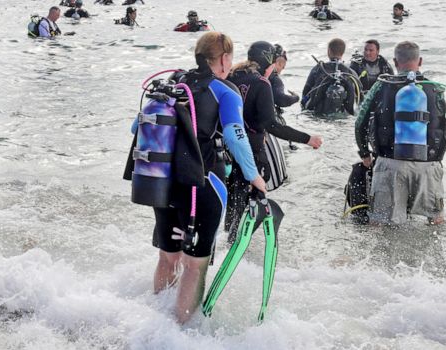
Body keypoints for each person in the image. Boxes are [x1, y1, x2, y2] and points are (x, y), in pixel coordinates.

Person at [138, 32, 267, 324]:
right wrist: (254, 177)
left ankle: (157, 325)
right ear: (224, 58)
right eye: (230, 58)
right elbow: (235, 136)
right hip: (202, 186)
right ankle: (181, 334)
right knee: (195, 266)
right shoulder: (225, 90)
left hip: (162, 182)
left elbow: (138, 124)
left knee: (168, 256)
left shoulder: (173, 84)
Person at [225, 42, 322, 239]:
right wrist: (307, 138)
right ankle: (236, 241)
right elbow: (272, 125)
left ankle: (227, 235)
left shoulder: (232, 75)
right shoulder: (261, 83)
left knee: (233, 196)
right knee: (252, 193)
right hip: (251, 149)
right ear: (269, 63)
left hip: (227, 148)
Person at [354, 41, 446, 225]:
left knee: (378, 224)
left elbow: (360, 123)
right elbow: (442, 125)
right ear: (420, 61)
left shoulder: (381, 85)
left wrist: (365, 153)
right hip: (428, 164)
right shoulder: (436, 88)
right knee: (436, 222)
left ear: (395, 62)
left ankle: (372, 254)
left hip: (390, 162)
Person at [301, 38, 359, 116]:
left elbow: (306, 92)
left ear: (328, 51)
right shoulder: (350, 72)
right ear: (343, 53)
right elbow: (359, 97)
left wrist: (303, 103)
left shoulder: (318, 69)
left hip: (319, 113)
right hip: (343, 115)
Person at [269, 44, 299, 109]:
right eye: (283, 66)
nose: (283, 68)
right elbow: (282, 100)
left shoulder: (251, 73)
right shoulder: (274, 80)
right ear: (279, 63)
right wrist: (296, 97)